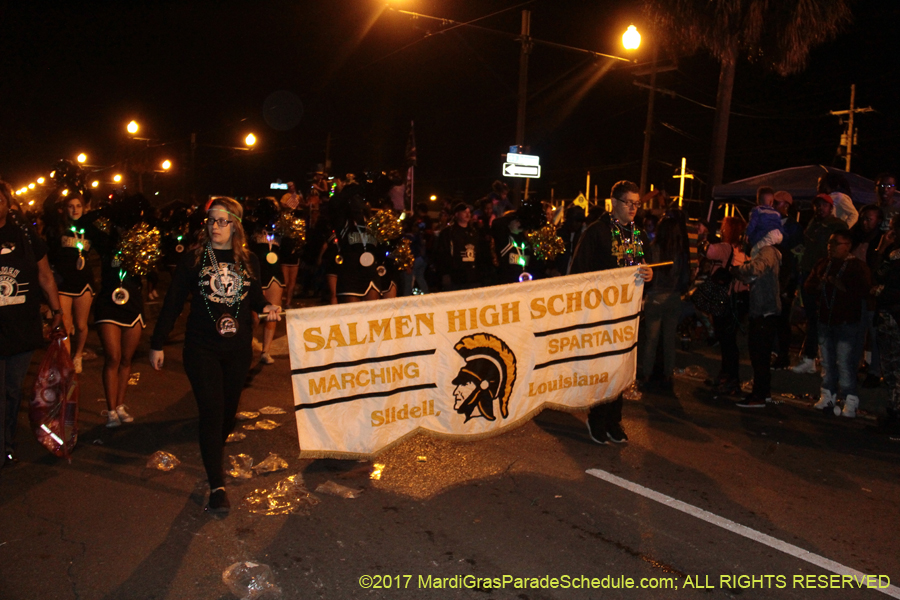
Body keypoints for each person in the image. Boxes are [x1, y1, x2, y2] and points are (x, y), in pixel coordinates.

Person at [149, 197, 281, 513]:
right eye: (211, 221)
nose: (215, 227)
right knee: (211, 410)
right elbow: (173, 302)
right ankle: (216, 485)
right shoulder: (194, 259)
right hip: (201, 347)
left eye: (222, 221)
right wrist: (156, 343)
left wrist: (267, 307)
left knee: (226, 414)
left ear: (235, 225)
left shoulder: (249, 260)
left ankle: (212, 455)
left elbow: (255, 298)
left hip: (237, 350)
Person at [568, 180, 653, 443]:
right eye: (629, 202)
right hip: (601, 313)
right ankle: (597, 419)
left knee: (622, 368)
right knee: (603, 367)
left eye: (637, 203)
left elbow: (648, 266)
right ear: (614, 202)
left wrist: (650, 274)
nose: (633, 208)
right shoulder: (596, 232)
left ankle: (614, 420)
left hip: (628, 315)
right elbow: (578, 273)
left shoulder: (637, 235)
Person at [1, 181, 63, 467]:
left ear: (7, 203)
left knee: (13, 389)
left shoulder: (25, 235)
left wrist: (57, 311)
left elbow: (45, 275)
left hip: (21, 328)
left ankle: (6, 441)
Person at [93, 194, 152, 427]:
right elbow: (87, 222)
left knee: (127, 359)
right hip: (108, 302)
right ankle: (109, 410)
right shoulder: (105, 238)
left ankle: (119, 405)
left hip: (133, 303)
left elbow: (150, 268)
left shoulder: (143, 240)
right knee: (113, 357)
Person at [805, 230, 871, 417]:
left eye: (836, 244)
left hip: (846, 321)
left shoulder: (857, 267)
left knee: (844, 362)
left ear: (847, 246)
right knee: (826, 361)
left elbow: (864, 290)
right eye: (829, 243)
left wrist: (839, 286)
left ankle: (850, 398)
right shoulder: (823, 264)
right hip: (825, 320)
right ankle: (828, 394)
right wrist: (821, 285)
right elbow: (809, 286)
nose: (831, 247)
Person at [43, 192, 100, 373]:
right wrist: (60, 189)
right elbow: (48, 208)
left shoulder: (91, 229)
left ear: (84, 208)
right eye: (71, 206)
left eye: (78, 206)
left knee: (82, 325)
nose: (75, 209)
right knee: (65, 325)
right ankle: (66, 361)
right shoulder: (59, 228)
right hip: (64, 282)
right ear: (65, 209)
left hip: (84, 282)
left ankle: (78, 355)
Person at [793, 194, 848, 374]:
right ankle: (811, 358)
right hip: (810, 274)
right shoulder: (813, 224)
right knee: (813, 318)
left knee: (827, 319)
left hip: (825, 275)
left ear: (831, 207)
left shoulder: (836, 225)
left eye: (824, 205)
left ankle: (828, 361)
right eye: (817, 205)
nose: (820, 208)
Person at [731, 218, 781, 408]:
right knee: (761, 355)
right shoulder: (768, 251)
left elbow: (756, 269)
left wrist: (737, 270)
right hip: (765, 310)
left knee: (759, 355)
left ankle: (758, 395)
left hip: (764, 311)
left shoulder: (766, 251)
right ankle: (763, 392)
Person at [639, 214, 690, 392]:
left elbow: (646, 274)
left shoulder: (653, 249)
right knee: (669, 340)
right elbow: (685, 278)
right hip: (673, 297)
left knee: (651, 340)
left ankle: (646, 375)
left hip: (655, 297)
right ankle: (668, 375)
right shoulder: (681, 253)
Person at [705, 217, 749, 395]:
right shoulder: (745, 250)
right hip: (740, 299)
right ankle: (727, 376)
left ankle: (731, 378)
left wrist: (704, 236)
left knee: (726, 341)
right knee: (729, 340)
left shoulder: (724, 248)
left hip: (725, 299)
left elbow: (708, 251)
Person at [872, 215, 900, 433]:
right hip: (889, 314)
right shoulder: (894, 252)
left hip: (893, 316)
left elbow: (883, 280)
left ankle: (896, 415)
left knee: (894, 367)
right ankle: (893, 412)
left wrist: (882, 250)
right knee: (891, 367)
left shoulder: (896, 255)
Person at [247, 198, 283, 364]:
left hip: (275, 274)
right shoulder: (251, 228)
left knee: (272, 314)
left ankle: (265, 351)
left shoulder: (280, 229)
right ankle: (246, 345)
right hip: (257, 273)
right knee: (254, 317)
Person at [850, 205, 884, 387]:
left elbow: (879, 268)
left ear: (878, 221)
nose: (864, 222)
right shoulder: (855, 237)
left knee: (873, 333)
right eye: (863, 218)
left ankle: (874, 371)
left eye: (869, 219)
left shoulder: (881, 241)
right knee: (856, 334)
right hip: (855, 293)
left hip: (871, 294)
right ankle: (854, 367)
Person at [772, 191, 803, 369]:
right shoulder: (770, 223)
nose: (773, 206)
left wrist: (792, 280)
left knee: (782, 318)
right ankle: (774, 352)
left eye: (777, 203)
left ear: (786, 205)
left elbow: (795, 254)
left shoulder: (794, 227)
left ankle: (782, 355)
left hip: (786, 277)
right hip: (771, 275)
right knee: (771, 316)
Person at [435, 203, 485, 291]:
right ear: (457, 214)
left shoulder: (473, 232)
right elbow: (442, 254)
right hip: (455, 276)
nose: (467, 214)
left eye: (469, 212)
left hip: (471, 276)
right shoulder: (448, 233)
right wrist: (445, 274)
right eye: (464, 212)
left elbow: (479, 253)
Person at [745, 186, 784, 255]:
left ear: (758, 201)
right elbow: (780, 225)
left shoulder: (757, 210)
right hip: (779, 235)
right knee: (771, 251)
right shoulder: (776, 213)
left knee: (755, 251)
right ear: (771, 202)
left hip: (768, 234)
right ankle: (779, 256)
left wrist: (747, 233)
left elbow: (752, 223)